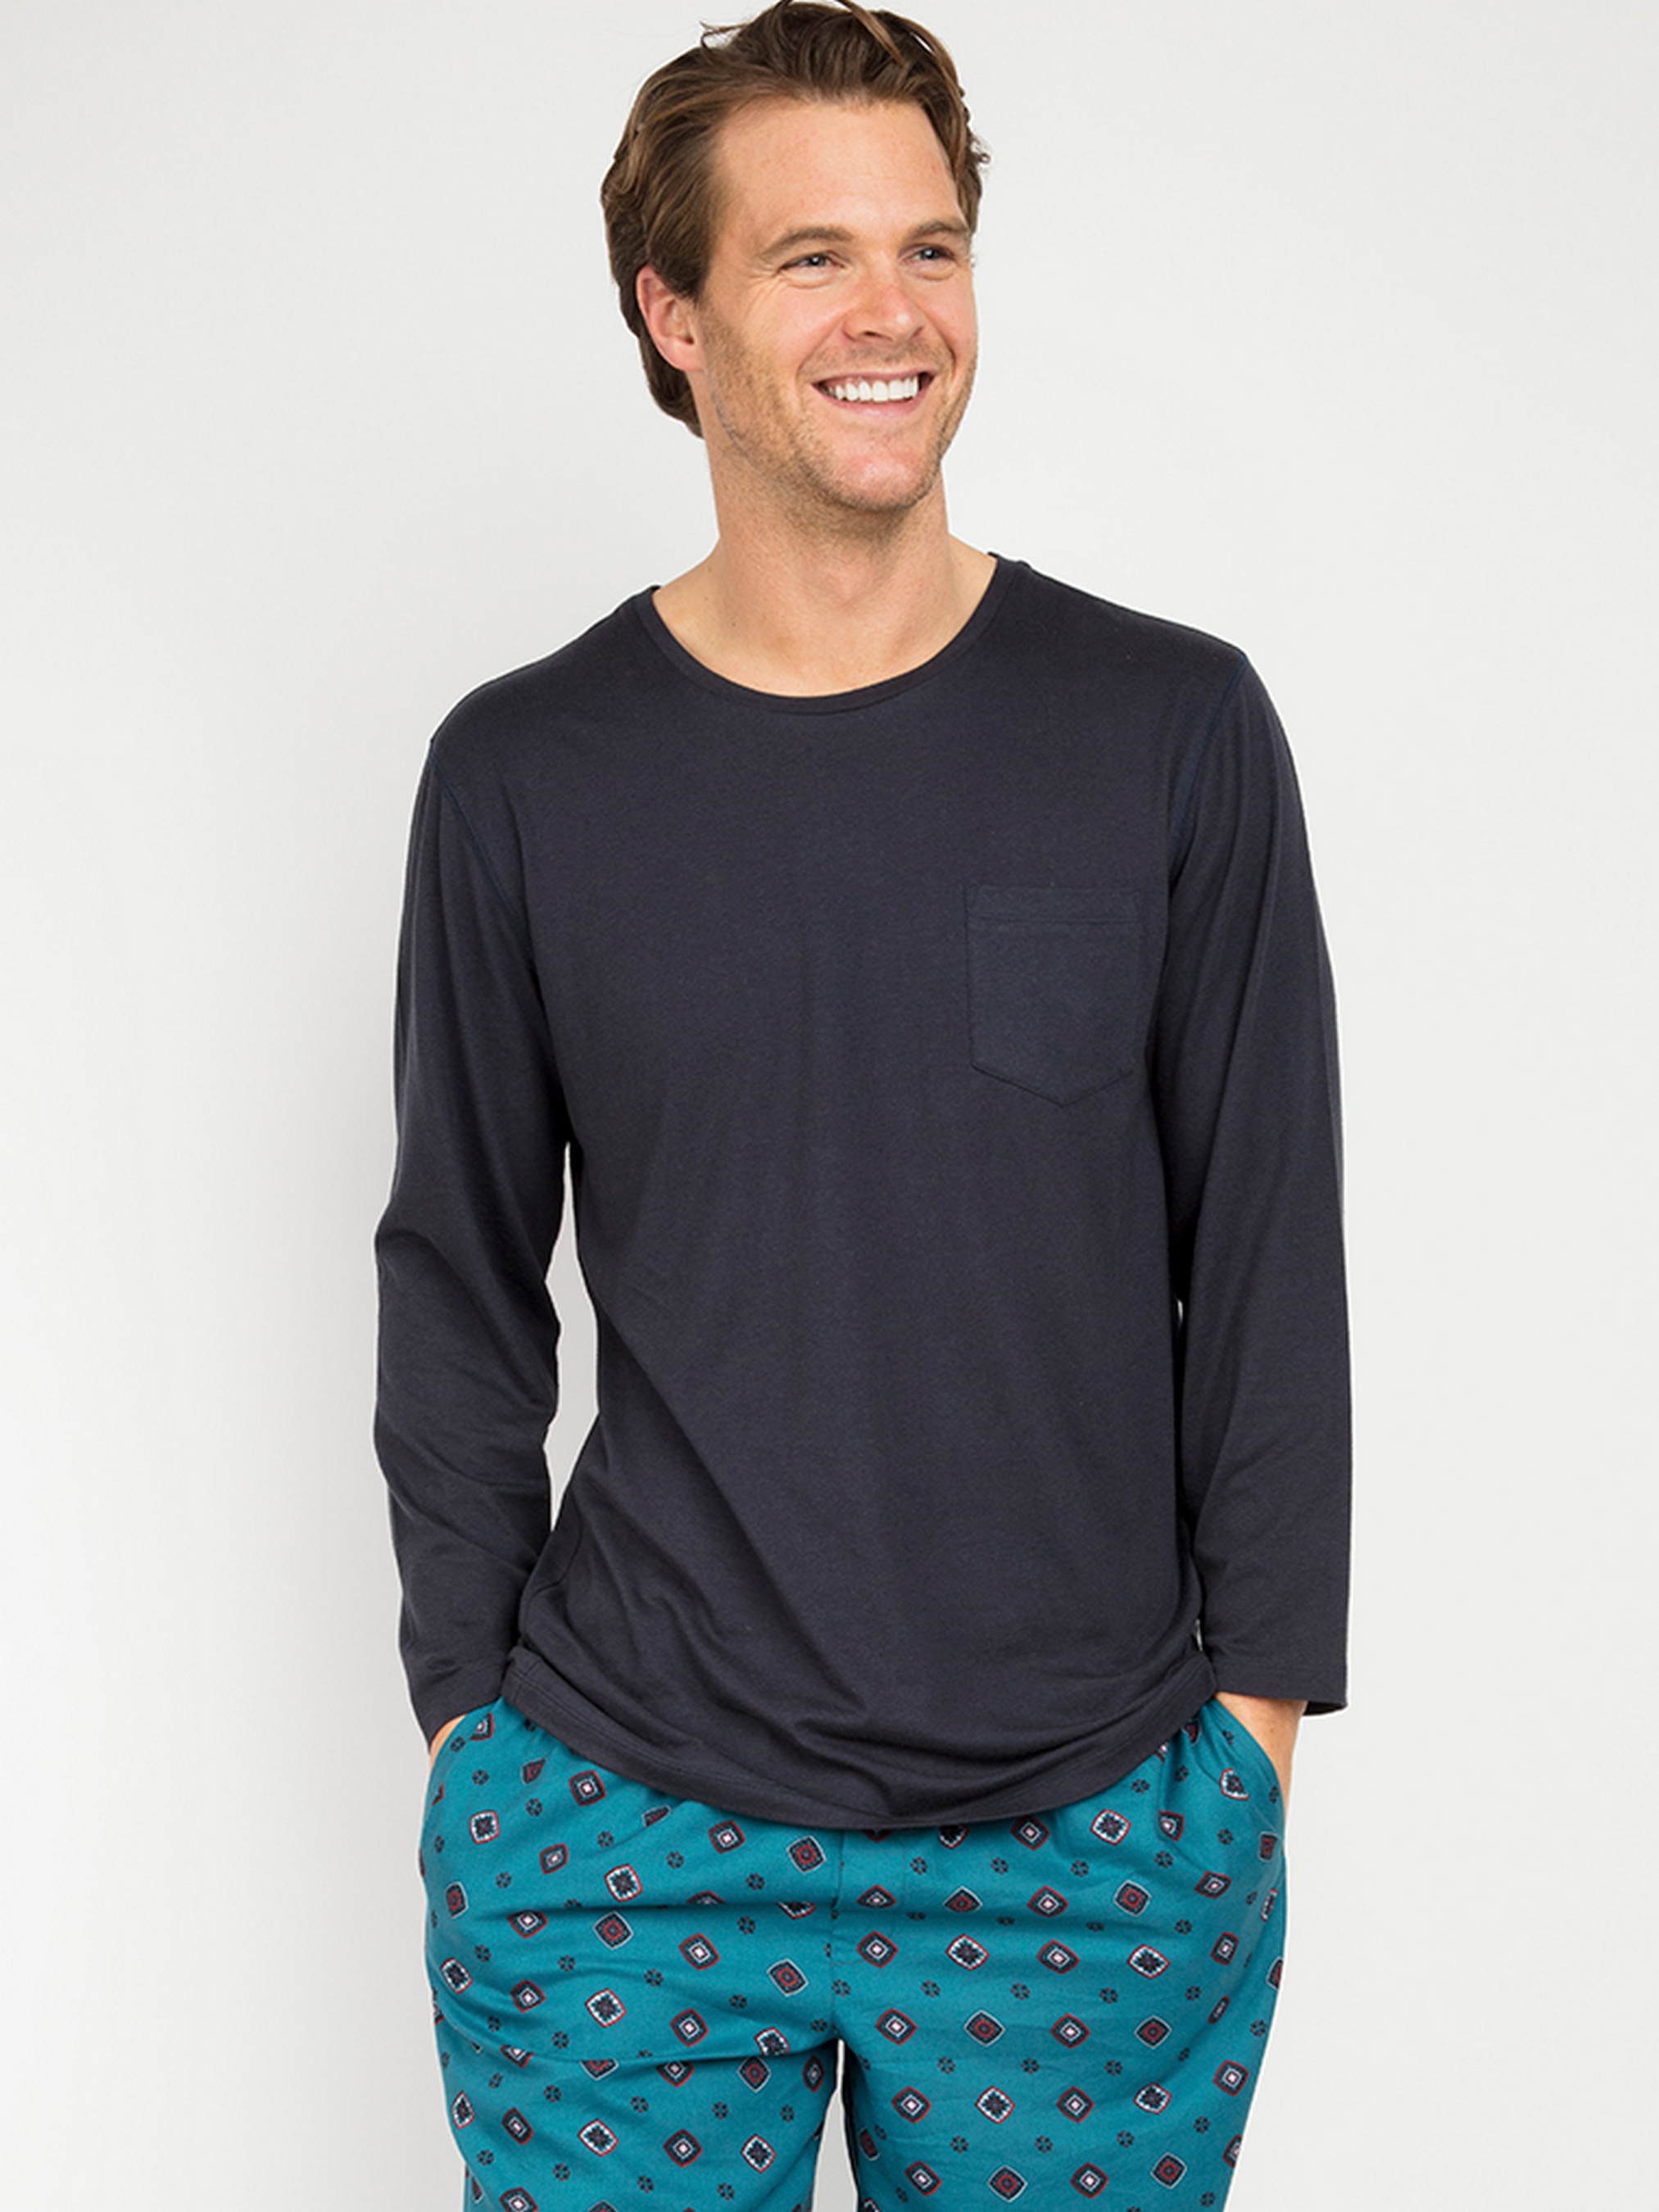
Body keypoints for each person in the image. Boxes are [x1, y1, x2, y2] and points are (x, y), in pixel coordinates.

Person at [374, 3, 1349, 2205]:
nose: (892, 311)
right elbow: (457, 1272)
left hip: (1092, 1838)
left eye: (931, 246)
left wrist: (1254, 1738)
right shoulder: (522, 774)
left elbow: (1266, 1252)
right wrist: (470, 1731)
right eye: (810, 256)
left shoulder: (1171, 729)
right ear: (675, 314)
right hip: (616, 1833)